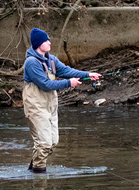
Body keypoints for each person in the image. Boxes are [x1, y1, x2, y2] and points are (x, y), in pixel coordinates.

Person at [22, 27, 100, 173]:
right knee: (44, 143)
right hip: (36, 107)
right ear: (38, 44)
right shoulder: (31, 63)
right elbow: (45, 84)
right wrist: (68, 83)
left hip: (50, 106)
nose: (49, 42)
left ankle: (33, 171)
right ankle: (39, 177)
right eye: (46, 40)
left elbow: (67, 71)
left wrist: (87, 75)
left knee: (52, 142)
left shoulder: (51, 59)